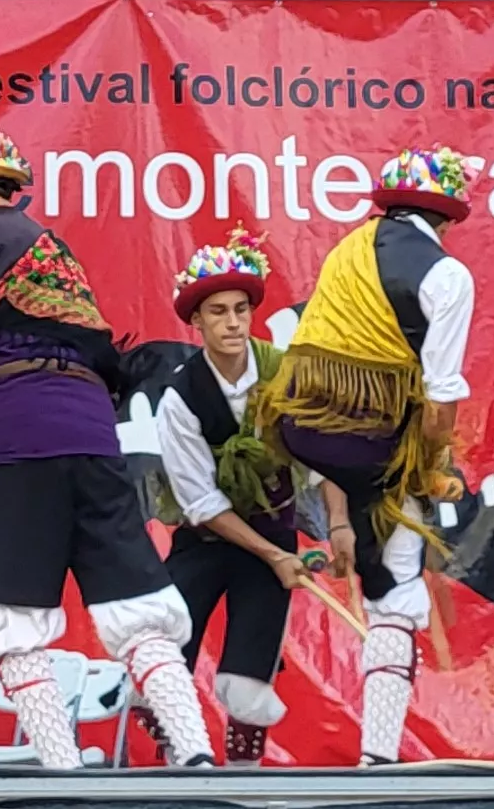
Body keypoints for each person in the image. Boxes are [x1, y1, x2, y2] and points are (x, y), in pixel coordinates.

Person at [0, 126, 218, 768]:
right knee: (135, 601)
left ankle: (62, 765)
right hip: (91, 435)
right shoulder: (54, 252)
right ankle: (194, 752)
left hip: (24, 430)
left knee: (16, 617)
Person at [261, 146, 482, 765]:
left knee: (380, 556)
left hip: (301, 424)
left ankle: (378, 750)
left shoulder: (348, 250)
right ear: (445, 218)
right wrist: (431, 468)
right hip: (374, 436)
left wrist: (340, 517)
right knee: (396, 584)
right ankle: (379, 752)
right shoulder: (447, 276)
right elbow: (441, 404)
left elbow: (331, 367)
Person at [152, 233, 316, 764]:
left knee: (249, 682)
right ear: (196, 322)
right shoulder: (179, 398)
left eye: (241, 309)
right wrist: (276, 557)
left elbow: (327, 454)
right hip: (206, 539)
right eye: (218, 311)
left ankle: (245, 780)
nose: (232, 322)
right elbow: (199, 501)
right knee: (166, 654)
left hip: (272, 531)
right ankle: (177, 767)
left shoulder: (284, 374)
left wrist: (338, 526)